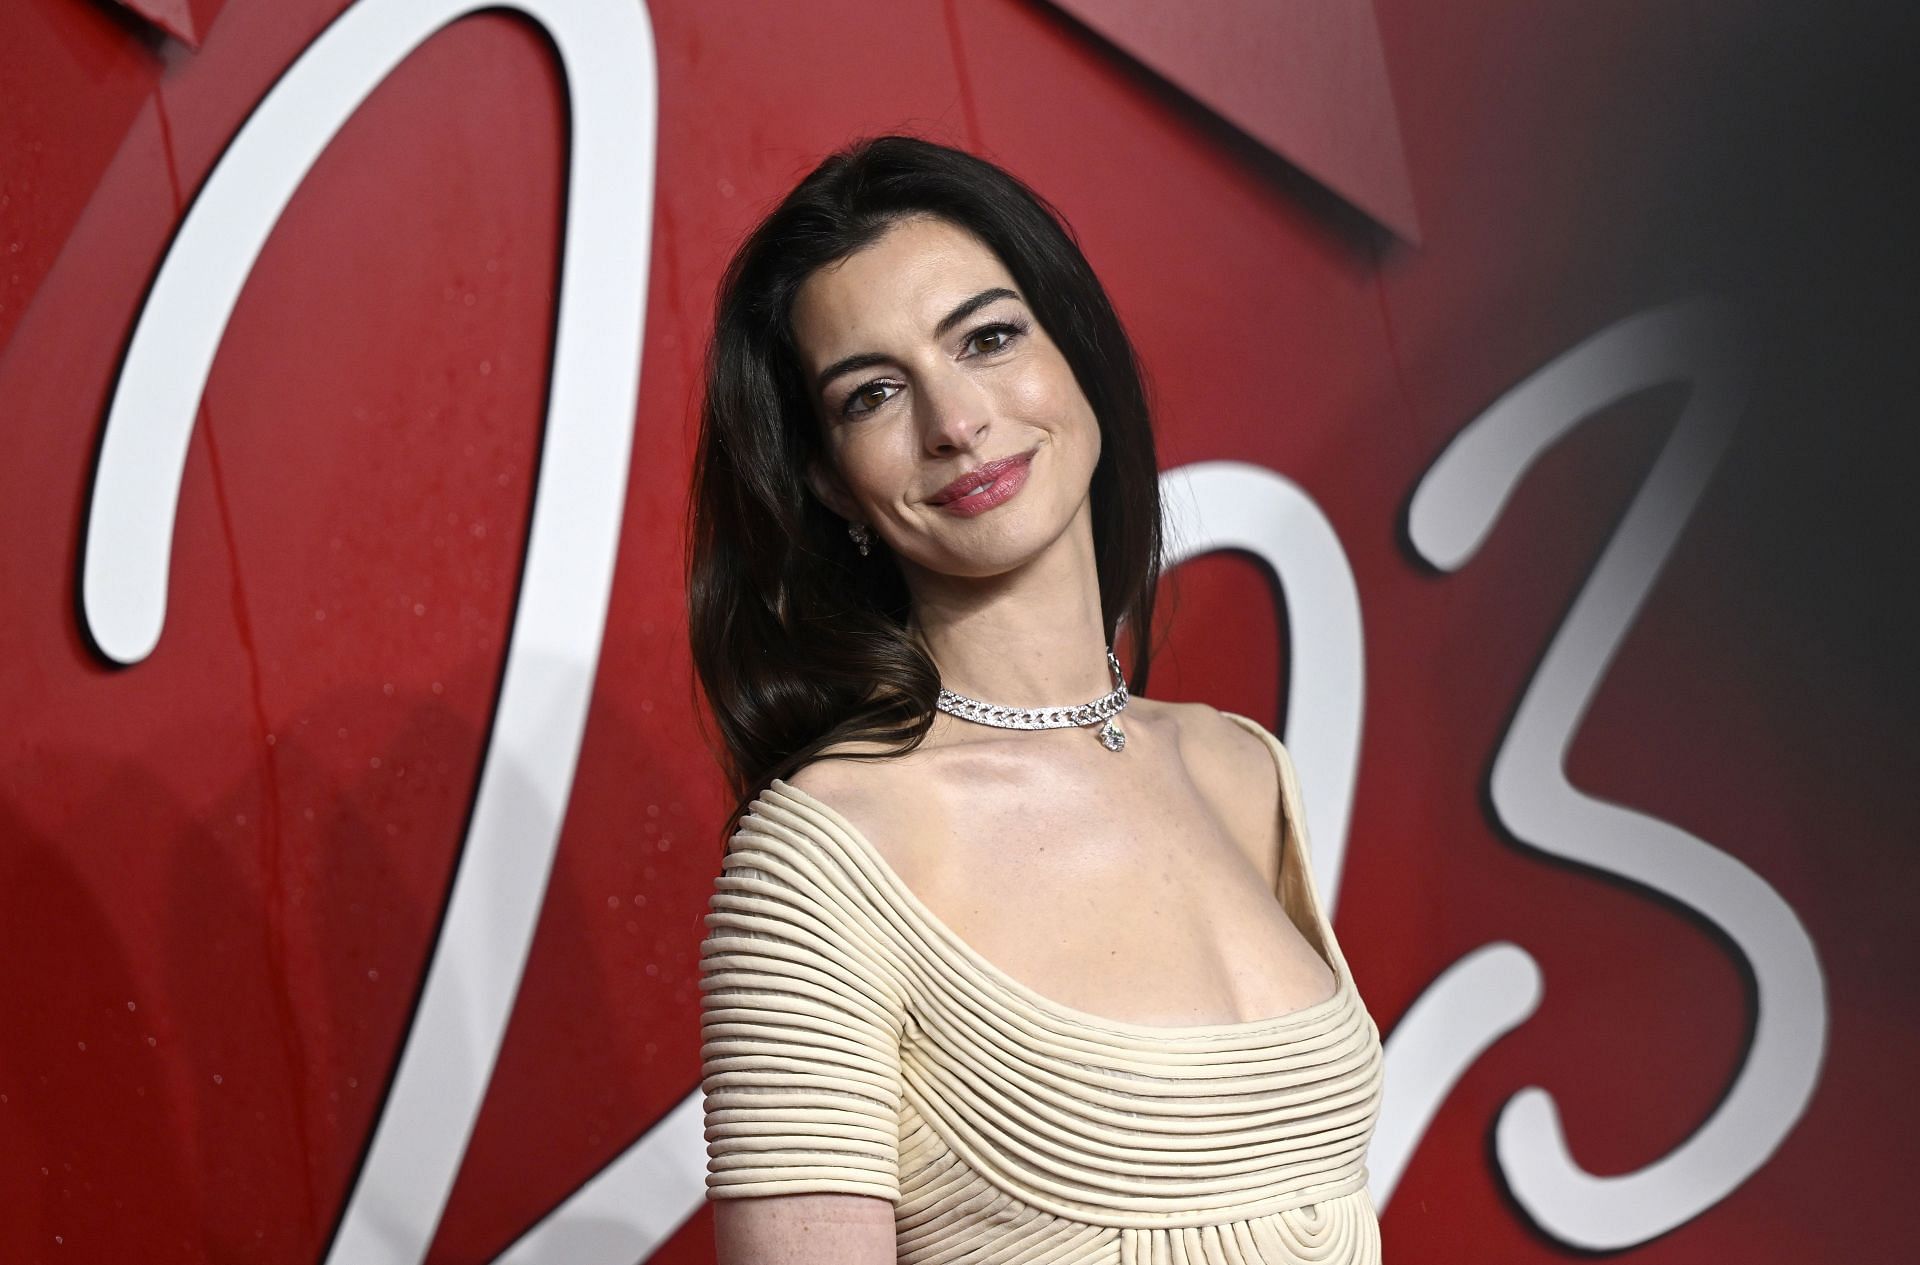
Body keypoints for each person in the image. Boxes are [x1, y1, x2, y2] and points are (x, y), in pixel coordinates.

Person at [686, 134, 1384, 1264]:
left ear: (1076, 355)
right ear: (827, 480)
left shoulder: (1241, 767)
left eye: (990, 336)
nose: (955, 420)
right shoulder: (822, 860)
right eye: (873, 392)